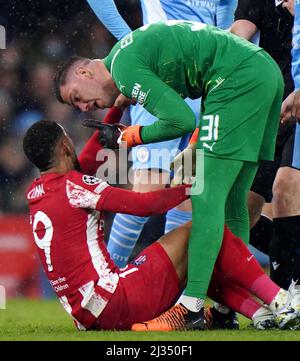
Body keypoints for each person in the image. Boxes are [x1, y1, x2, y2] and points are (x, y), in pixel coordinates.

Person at [54, 20, 284, 329]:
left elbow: (180, 119)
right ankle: (226, 310)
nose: (82, 108)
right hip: (264, 72)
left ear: (84, 73)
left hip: (234, 82)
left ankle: (190, 309)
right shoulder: (126, 54)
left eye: (76, 97)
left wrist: (128, 137)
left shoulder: (124, 68)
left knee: (205, 199)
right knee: (233, 204)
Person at [23, 119, 300, 331]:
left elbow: (79, 166)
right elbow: (145, 205)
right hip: (117, 300)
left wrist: (115, 112)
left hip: (88, 317)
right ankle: (279, 300)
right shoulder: (74, 186)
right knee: (201, 233)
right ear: (65, 146)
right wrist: (189, 189)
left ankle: (258, 313)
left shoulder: (37, 192)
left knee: (197, 260)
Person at [86, 0, 237, 271]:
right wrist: (130, 44)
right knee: (147, 190)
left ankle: (169, 302)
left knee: (188, 194)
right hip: (162, 79)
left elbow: (227, 3)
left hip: (205, 85)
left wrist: (223, 45)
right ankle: (106, 282)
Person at [230, 0, 299, 290]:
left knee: (285, 191)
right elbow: (238, 34)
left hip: (295, 105)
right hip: (271, 113)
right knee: (241, 211)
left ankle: (285, 298)